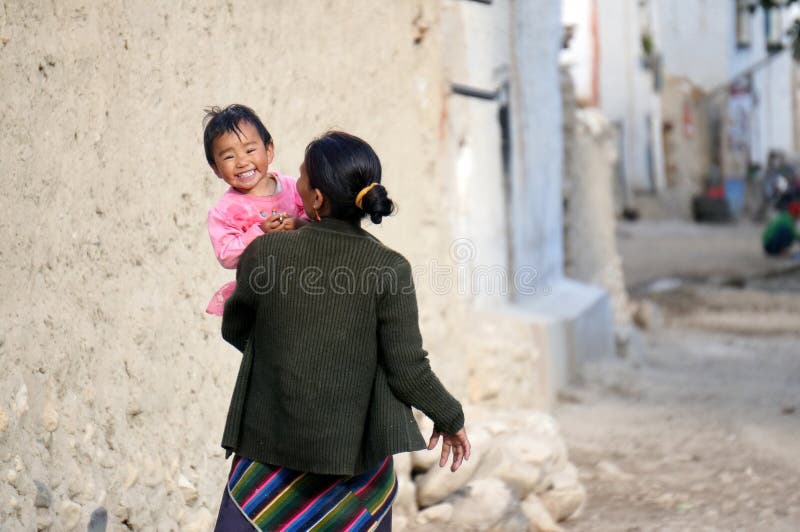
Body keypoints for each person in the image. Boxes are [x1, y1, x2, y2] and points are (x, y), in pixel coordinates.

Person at [214, 131, 471, 531]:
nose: (293, 185)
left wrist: (286, 352)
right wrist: (449, 416)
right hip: (354, 463)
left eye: (301, 177)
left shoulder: (265, 253)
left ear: (316, 199)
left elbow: (237, 327)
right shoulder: (389, 268)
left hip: (270, 455)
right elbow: (407, 368)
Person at [204, 104, 308, 316]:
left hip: (306, 282)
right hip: (264, 296)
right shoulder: (224, 211)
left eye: (250, 150)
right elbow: (227, 255)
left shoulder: (292, 187)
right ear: (215, 168)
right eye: (228, 157)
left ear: (269, 151)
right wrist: (259, 231)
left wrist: (299, 224)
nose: (242, 162)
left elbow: (316, 219)